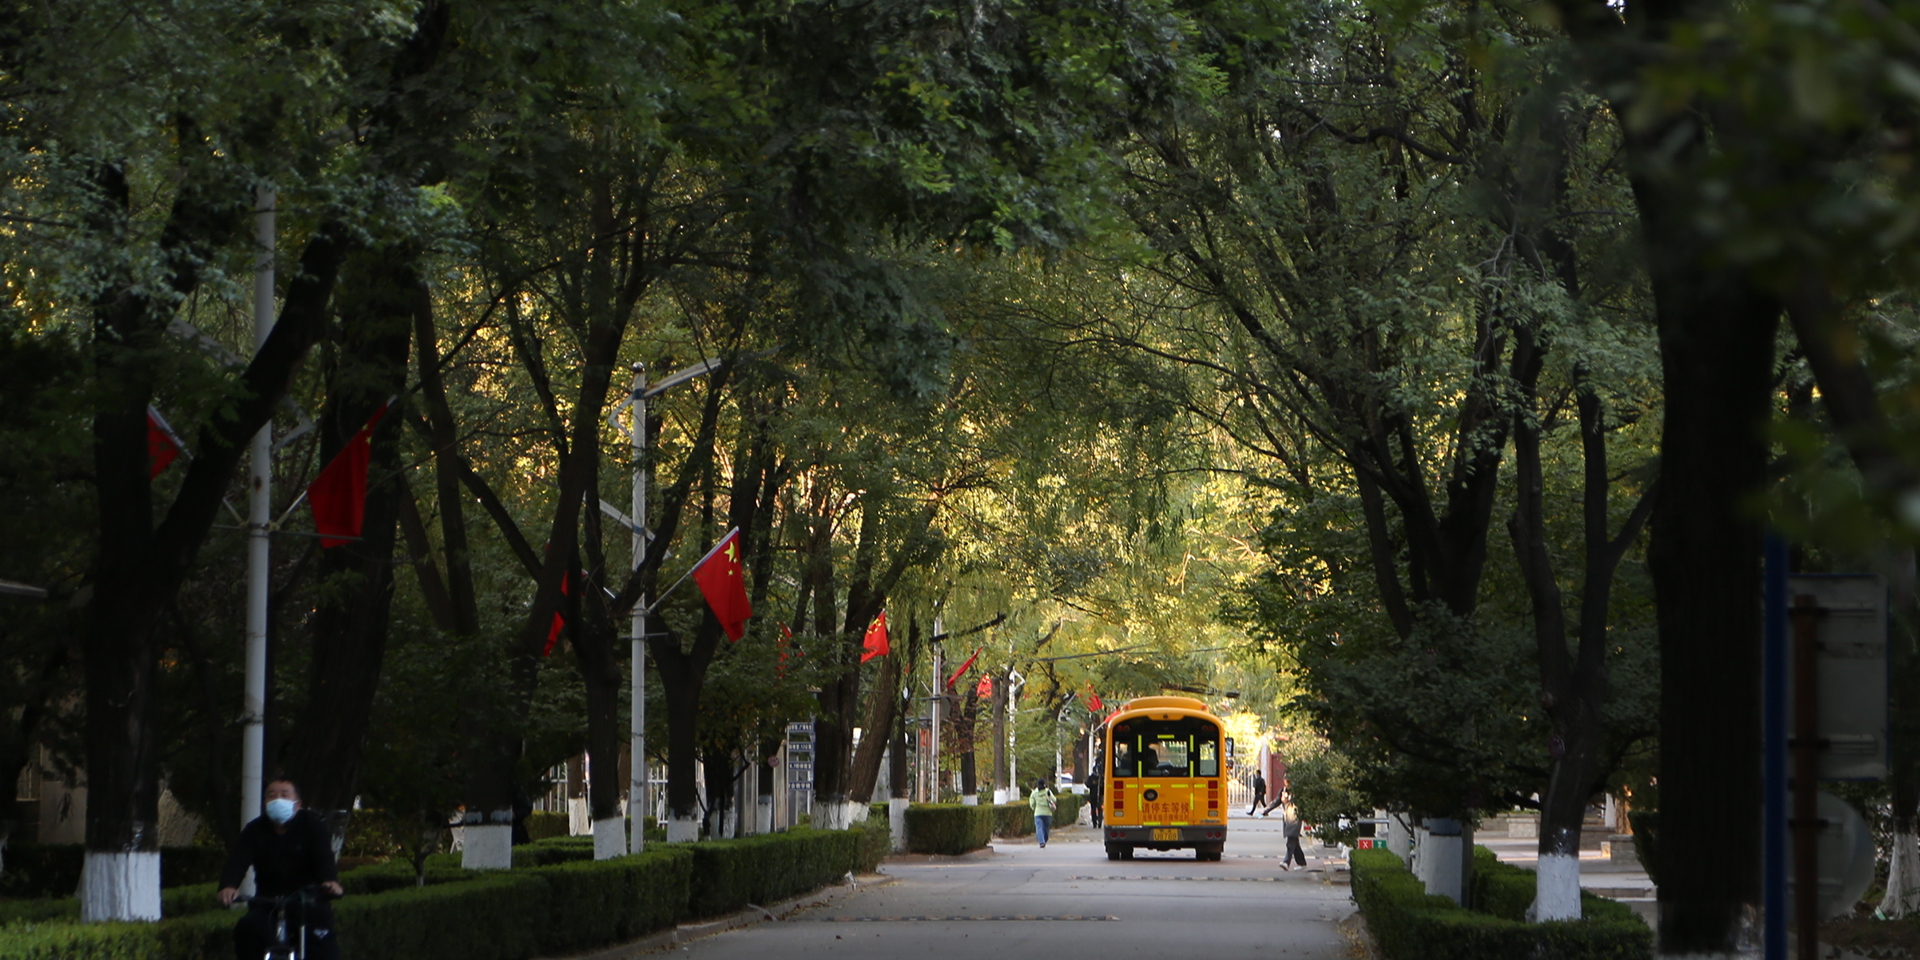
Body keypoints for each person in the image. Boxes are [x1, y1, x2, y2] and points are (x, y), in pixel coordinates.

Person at [218, 778, 345, 960]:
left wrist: (330, 882)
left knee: (323, 948)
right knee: (248, 929)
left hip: (308, 901)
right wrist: (228, 886)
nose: (277, 799)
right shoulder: (254, 830)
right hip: (268, 902)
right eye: (272, 795)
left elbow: (324, 857)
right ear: (265, 803)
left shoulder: (313, 827)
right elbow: (237, 861)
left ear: (298, 804)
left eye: (284, 795)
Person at [1029, 777, 1058, 848]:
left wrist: (1035, 809)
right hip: (1048, 813)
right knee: (1046, 828)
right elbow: (1054, 799)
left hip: (1038, 813)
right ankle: (1045, 839)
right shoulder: (1048, 791)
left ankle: (1042, 842)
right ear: (1044, 784)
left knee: (1039, 828)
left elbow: (1032, 804)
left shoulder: (1034, 793)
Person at [1281, 798, 1308, 871]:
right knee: (1295, 844)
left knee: (1291, 841)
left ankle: (1286, 862)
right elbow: (1276, 801)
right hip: (1288, 820)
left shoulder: (1296, 791)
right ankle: (1302, 863)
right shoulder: (1284, 790)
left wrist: (1288, 799)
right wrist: (1265, 810)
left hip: (1295, 819)